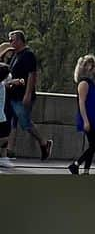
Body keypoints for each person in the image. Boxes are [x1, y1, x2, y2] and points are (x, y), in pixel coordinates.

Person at [4, 29, 52, 162]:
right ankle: (9, 151)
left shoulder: (28, 55)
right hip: (12, 95)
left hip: (22, 96)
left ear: (19, 40)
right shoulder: (15, 55)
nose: (10, 42)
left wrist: (28, 94)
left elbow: (32, 75)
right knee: (11, 123)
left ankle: (44, 143)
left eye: (12, 40)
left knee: (25, 123)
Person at [69, 54, 95, 175]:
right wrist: (85, 121)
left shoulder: (91, 83)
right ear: (89, 67)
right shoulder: (83, 83)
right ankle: (76, 164)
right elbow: (82, 102)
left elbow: (94, 100)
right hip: (88, 118)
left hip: (93, 117)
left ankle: (86, 170)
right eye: (94, 66)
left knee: (92, 145)